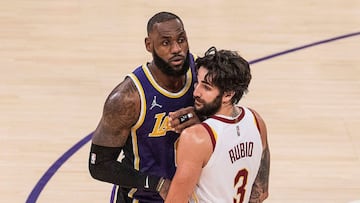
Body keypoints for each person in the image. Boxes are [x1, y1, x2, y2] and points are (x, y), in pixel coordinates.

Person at [88, 11, 199, 203]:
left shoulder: (202, 75)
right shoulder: (127, 98)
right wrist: (157, 183)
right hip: (142, 198)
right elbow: (99, 164)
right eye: (166, 43)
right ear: (149, 45)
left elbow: (230, 115)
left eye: (181, 40)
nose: (177, 49)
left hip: (192, 196)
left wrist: (202, 115)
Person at [165, 47, 270, 203]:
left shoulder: (197, 137)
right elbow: (261, 192)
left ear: (228, 94)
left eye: (206, 87)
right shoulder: (256, 121)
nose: (196, 92)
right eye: (197, 83)